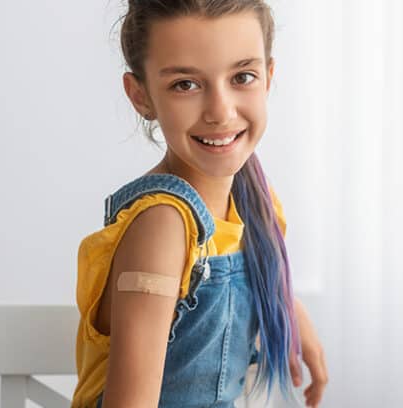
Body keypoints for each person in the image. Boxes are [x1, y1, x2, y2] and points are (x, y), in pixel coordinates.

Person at [71, 1, 328, 407]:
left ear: (269, 77)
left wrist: (291, 310)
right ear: (141, 96)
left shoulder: (253, 199)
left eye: (242, 76)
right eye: (185, 85)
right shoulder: (163, 227)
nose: (221, 112)